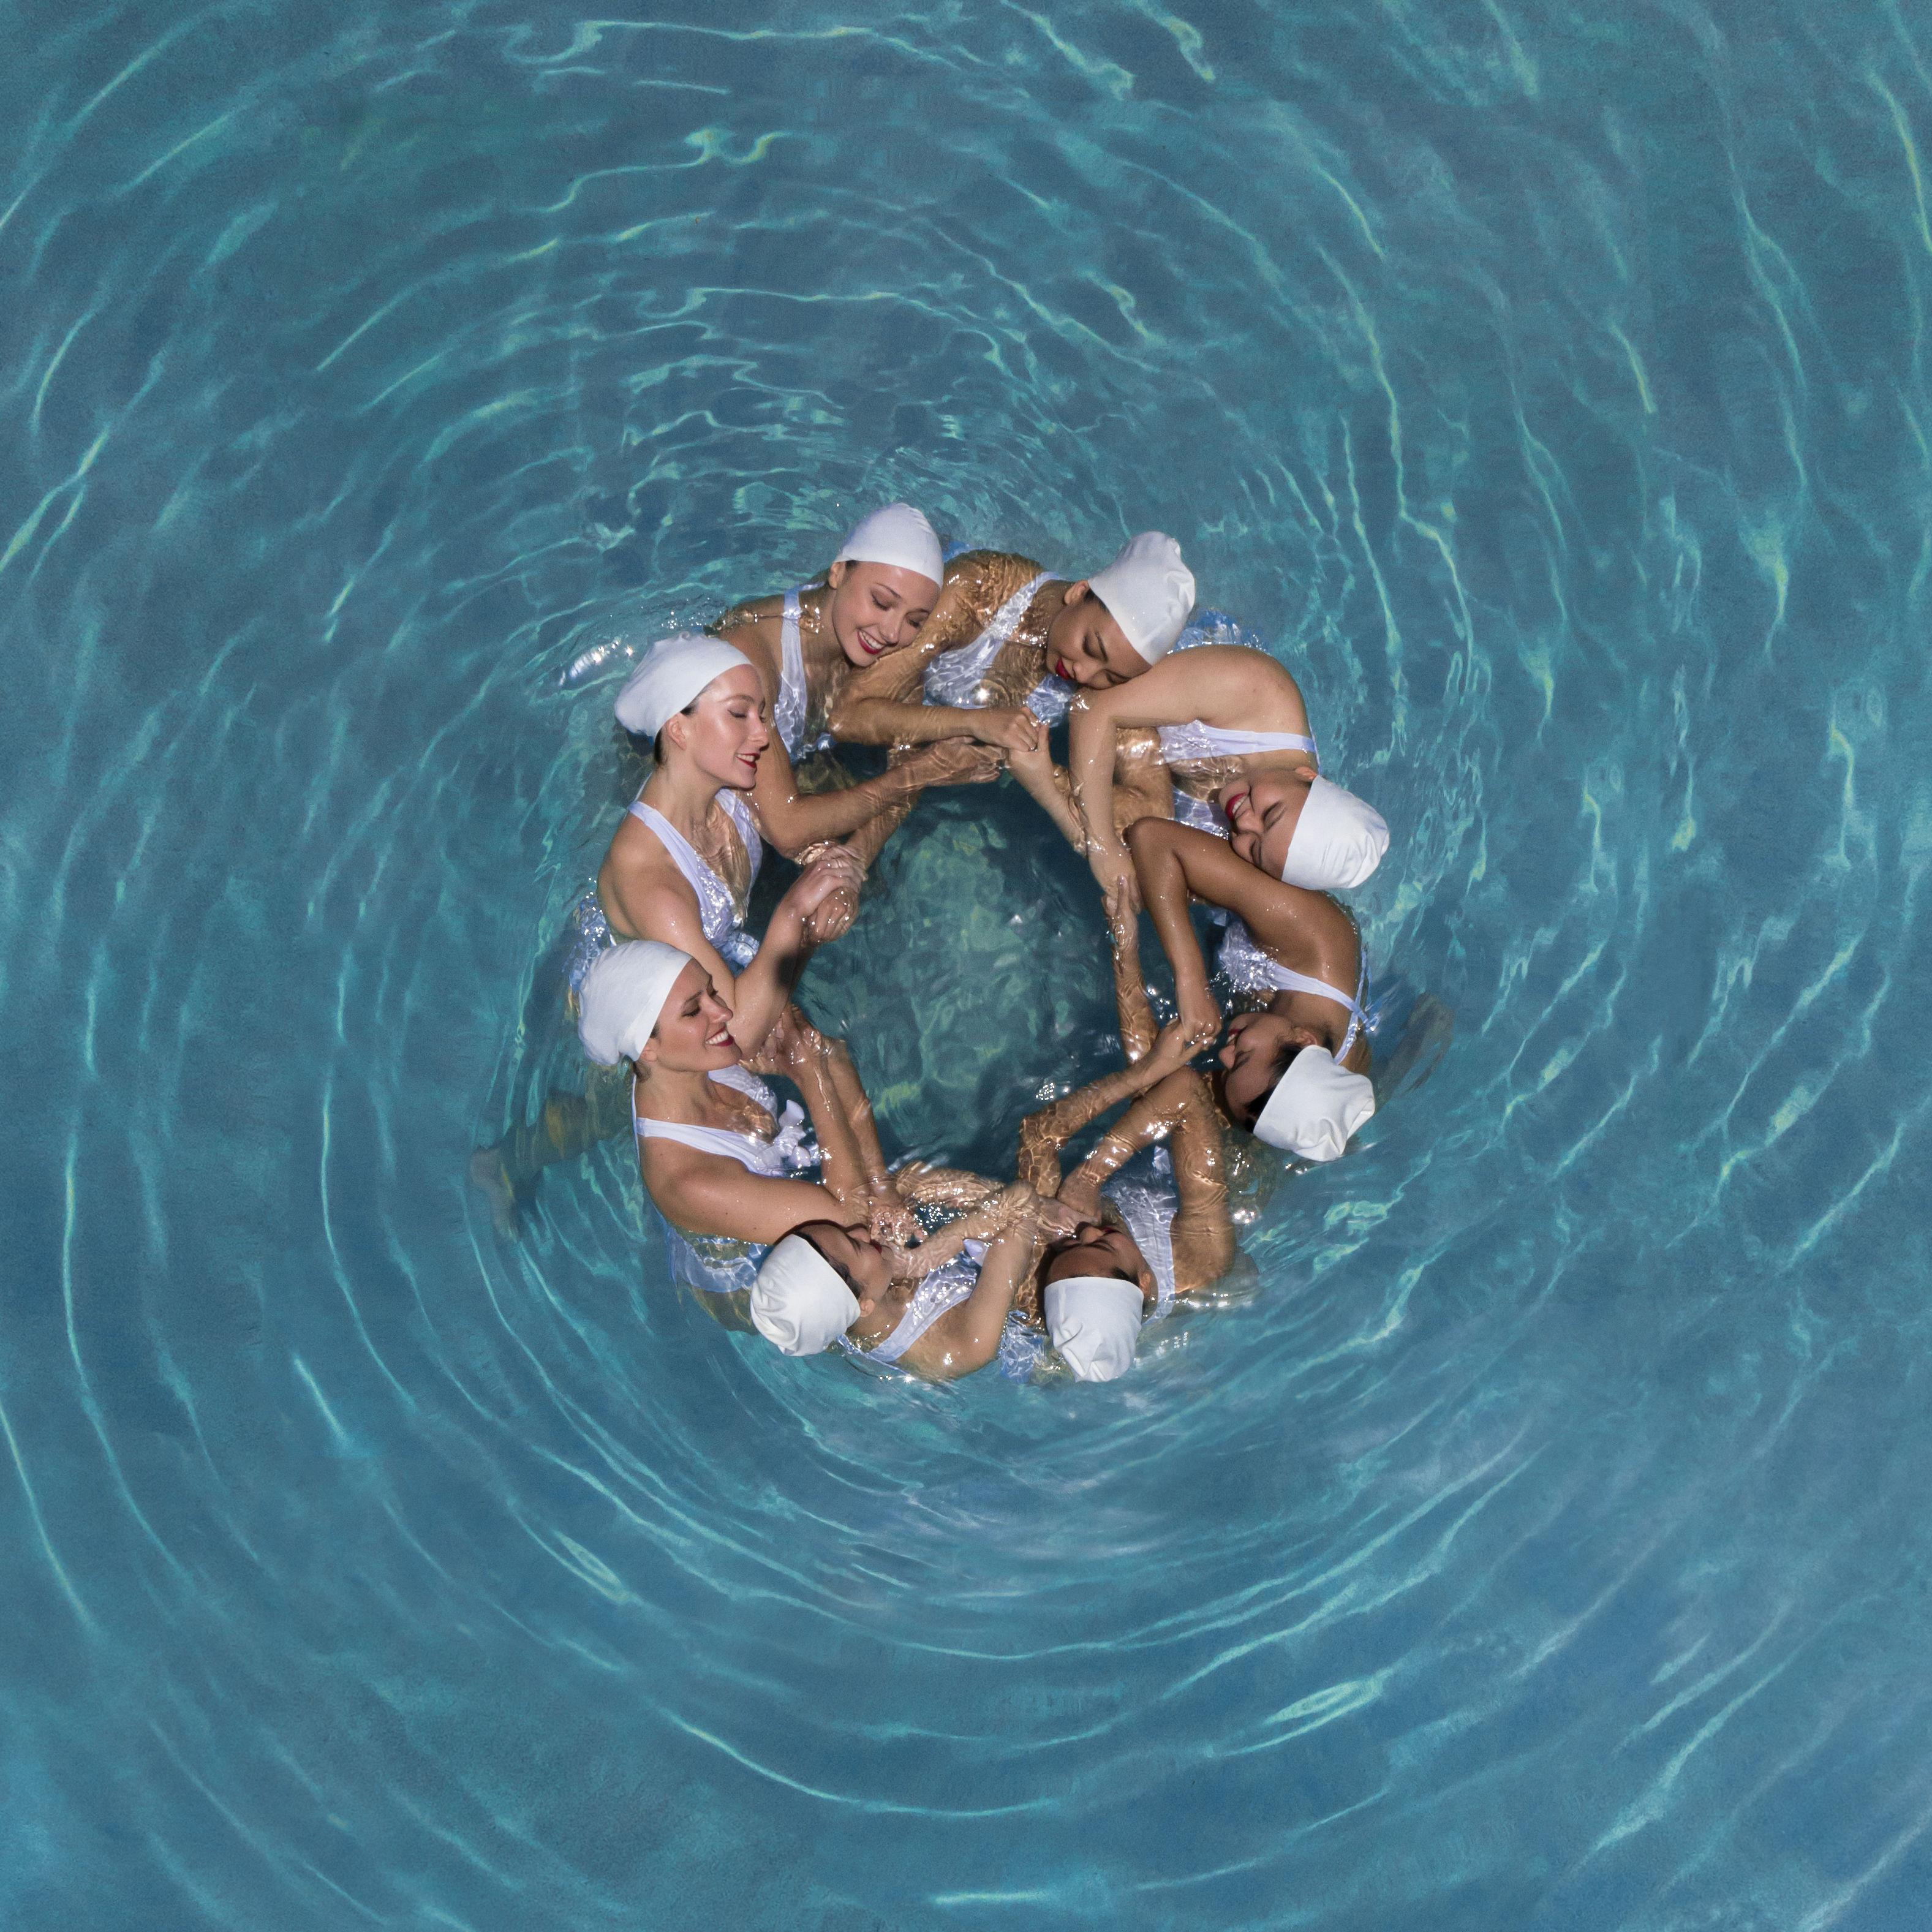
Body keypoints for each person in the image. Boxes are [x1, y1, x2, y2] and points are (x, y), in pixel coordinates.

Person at [822, 532, 1201, 847]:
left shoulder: (1109, 676)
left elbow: (1152, 815)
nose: (1085, 674)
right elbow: (846, 715)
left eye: (1114, 678)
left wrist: (1040, 770)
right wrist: (975, 724)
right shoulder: (978, 591)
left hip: (920, 747)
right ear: (1078, 592)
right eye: (1090, 646)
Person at [1008, 884, 1240, 1380]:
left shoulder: (1044, 1270)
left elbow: (1036, 1135)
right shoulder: (1198, 1261)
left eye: (1071, 1246)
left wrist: (1125, 950)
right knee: (1165, 1083)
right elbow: (1182, 1091)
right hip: (1232, 1167)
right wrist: (1091, 1175)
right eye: (1105, 1242)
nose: (1084, 1230)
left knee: (1146, 1078)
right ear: (1145, 1280)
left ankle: (1126, 938)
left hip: (1145, 1156)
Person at [709, 502, 1006, 861]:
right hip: (698, 803)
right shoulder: (750, 652)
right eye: (881, 602)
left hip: (786, 769)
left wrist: (858, 861)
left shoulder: (876, 646)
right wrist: (928, 770)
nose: (892, 632)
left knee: (859, 872)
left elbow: (905, 752)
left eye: (915, 621)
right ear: (837, 573)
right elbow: (786, 829)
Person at [1064, 635, 1391, 907]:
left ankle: (1026, 761)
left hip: (1124, 735)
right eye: (1271, 812)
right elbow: (1093, 705)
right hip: (1081, 650)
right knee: (1141, 827)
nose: (1245, 824)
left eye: (1255, 849)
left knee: (1141, 852)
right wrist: (1103, 844)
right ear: (1308, 776)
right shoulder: (1257, 691)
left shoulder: (1263, 843)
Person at [1125, 815, 1378, 1163]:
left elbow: (1153, 1097)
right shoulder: (1314, 938)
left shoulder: (1304, 1092)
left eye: (1228, 1069)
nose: (1222, 1056)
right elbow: (1151, 836)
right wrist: (1191, 980)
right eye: (1240, 1058)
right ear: (1304, 1039)